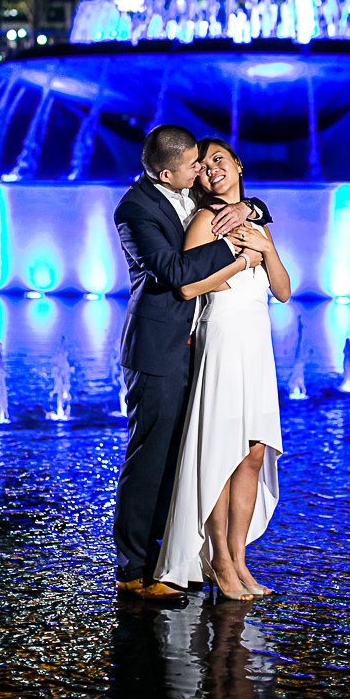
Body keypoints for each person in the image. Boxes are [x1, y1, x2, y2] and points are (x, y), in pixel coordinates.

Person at [113, 124, 273, 599]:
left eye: (206, 163)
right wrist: (241, 249)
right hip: (159, 351)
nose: (202, 171)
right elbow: (177, 273)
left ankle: (177, 558)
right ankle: (134, 569)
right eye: (194, 166)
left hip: (201, 349)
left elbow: (245, 203)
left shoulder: (195, 200)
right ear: (167, 171)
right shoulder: (135, 209)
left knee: (189, 457)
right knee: (150, 460)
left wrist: (251, 210)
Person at [155, 138, 290, 601]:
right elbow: (189, 288)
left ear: (237, 163)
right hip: (223, 336)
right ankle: (218, 559)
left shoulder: (256, 219)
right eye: (204, 165)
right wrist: (240, 260)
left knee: (253, 452)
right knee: (221, 453)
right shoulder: (204, 221)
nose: (213, 169)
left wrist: (264, 250)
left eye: (220, 160)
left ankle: (239, 559)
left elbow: (284, 290)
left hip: (257, 341)